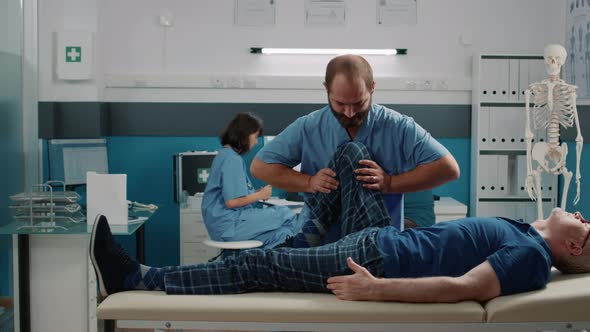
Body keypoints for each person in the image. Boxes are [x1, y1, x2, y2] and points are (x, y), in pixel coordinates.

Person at [90, 142, 590, 303]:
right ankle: (306, 235)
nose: (582, 215)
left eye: (587, 227)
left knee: (257, 266)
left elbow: (463, 287)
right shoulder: (526, 234)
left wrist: (379, 290)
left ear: (575, 249)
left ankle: (137, 277)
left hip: (376, 259)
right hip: (386, 239)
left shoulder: (531, 256)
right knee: (351, 153)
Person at [250, 54, 459, 246]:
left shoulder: (398, 127)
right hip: (319, 238)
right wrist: (309, 182)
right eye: (340, 104)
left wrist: (390, 183)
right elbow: (261, 167)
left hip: (377, 238)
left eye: (359, 103)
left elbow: (448, 168)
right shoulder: (308, 127)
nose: (349, 113)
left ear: (372, 88)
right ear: (326, 89)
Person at [201, 112, 303, 249]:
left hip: (223, 226)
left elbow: (232, 195)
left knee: (282, 234)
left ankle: (264, 265)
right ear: (244, 134)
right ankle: (285, 261)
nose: (255, 142)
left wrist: (254, 195)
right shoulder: (232, 159)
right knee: (286, 213)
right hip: (229, 225)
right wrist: (259, 195)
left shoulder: (224, 155)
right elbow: (232, 202)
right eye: (255, 137)